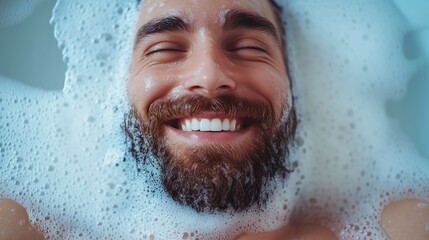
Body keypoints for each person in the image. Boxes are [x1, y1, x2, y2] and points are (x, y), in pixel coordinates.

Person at [1, 0, 428, 239]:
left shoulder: (401, 227)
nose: (208, 77)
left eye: (247, 46)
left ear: (296, 86)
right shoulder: (24, 227)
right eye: (165, 48)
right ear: (117, 88)